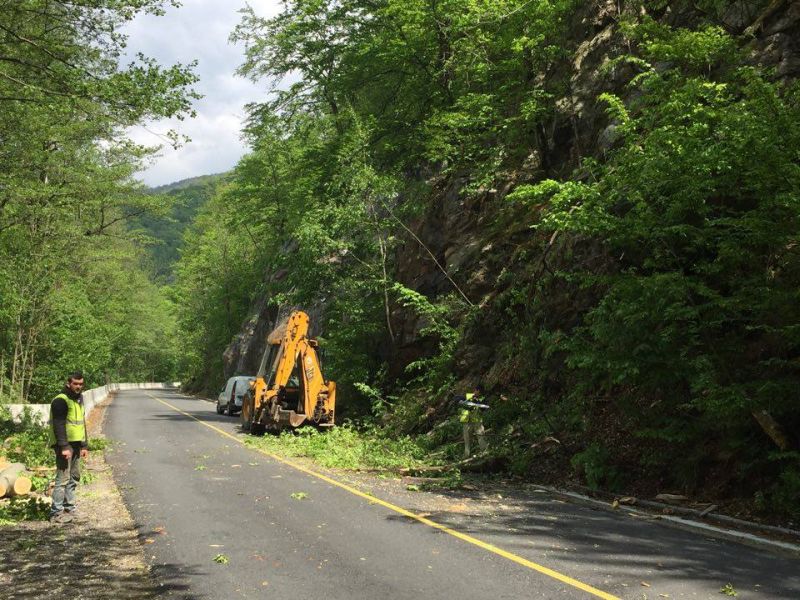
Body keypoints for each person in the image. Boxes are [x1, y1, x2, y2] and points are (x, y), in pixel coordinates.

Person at [48, 371, 89, 523]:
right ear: (68, 383)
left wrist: (84, 445)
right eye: (75, 384)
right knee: (62, 479)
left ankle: (69, 508)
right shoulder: (60, 400)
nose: (78, 386)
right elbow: (58, 425)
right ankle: (56, 513)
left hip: (77, 444)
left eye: (80, 384)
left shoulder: (79, 399)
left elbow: (81, 423)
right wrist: (64, 446)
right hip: (64, 445)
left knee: (74, 476)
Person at [457, 385, 489, 458]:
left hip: (477, 422)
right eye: (476, 390)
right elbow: (457, 398)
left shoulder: (482, 398)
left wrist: (476, 404)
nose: (476, 392)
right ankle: (466, 455)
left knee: (481, 436)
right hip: (467, 421)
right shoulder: (468, 396)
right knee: (467, 439)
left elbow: (485, 407)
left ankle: (485, 452)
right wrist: (460, 401)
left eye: (478, 392)